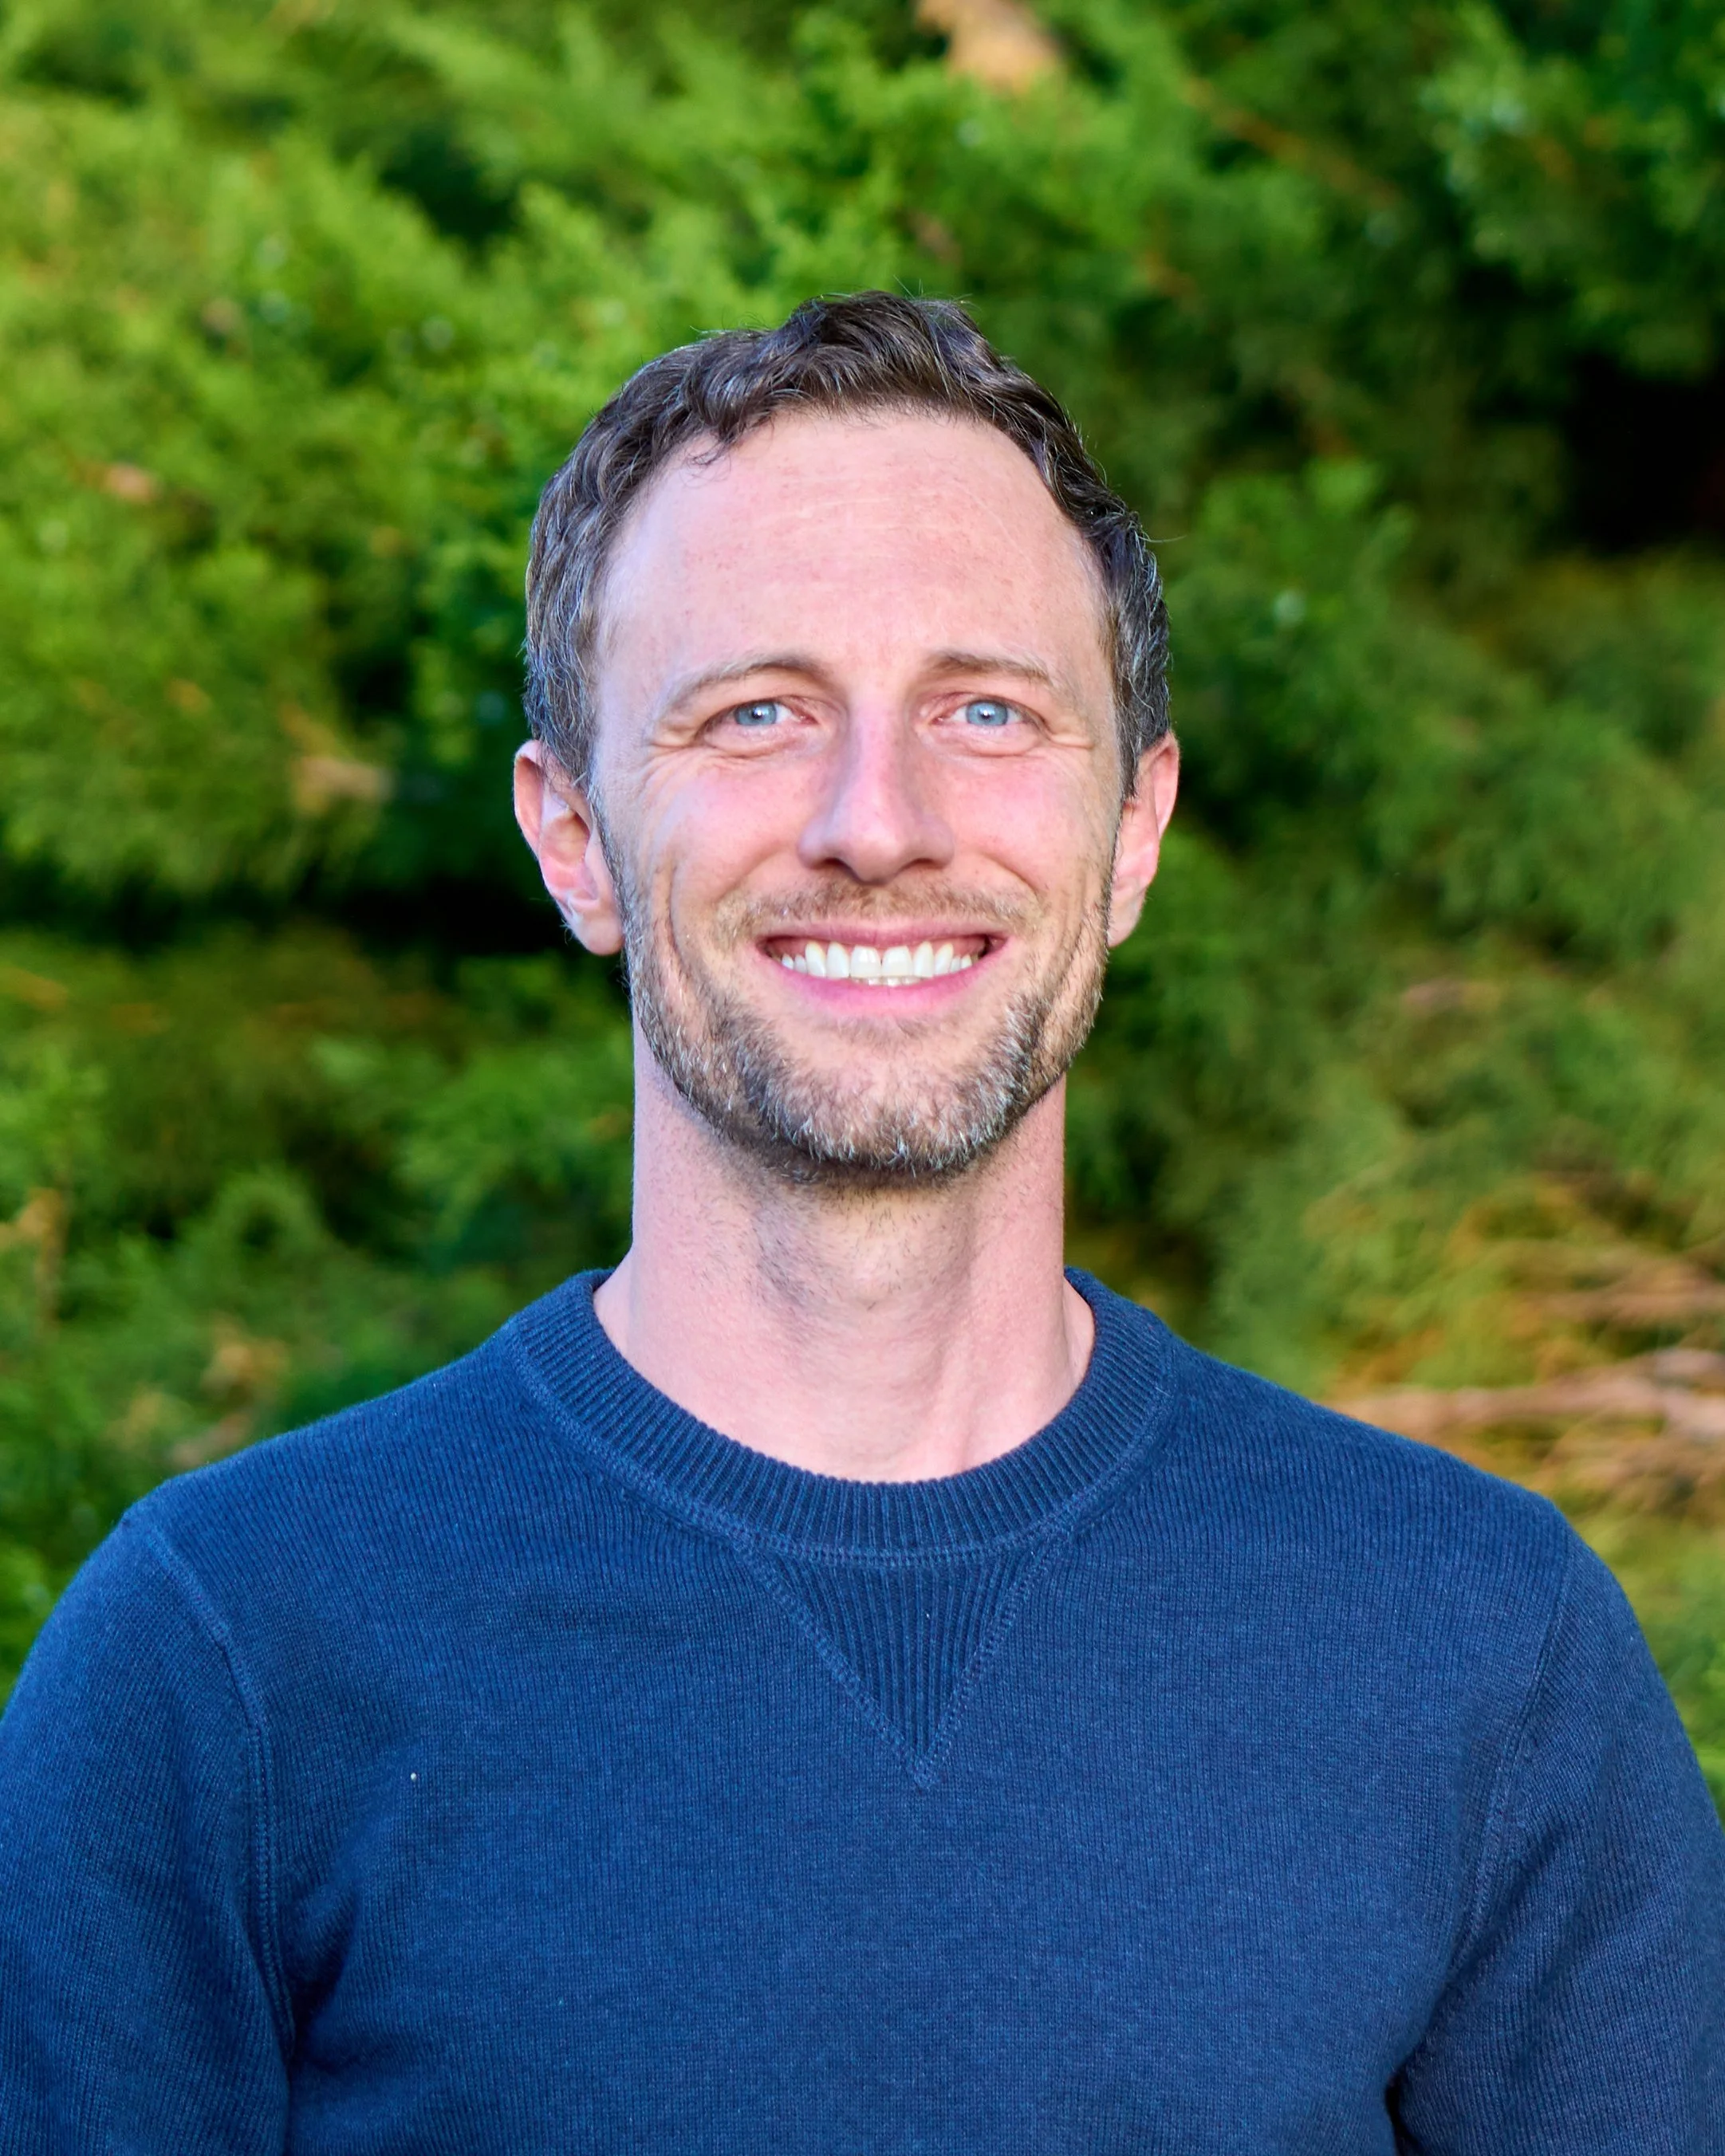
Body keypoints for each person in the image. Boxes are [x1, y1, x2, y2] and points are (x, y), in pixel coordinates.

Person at [0, 293, 1719, 2154]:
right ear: (571, 832)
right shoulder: (227, 1657)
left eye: (985, 709)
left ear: (1131, 826)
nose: (874, 820)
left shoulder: (1475, 1644)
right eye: (756, 712)